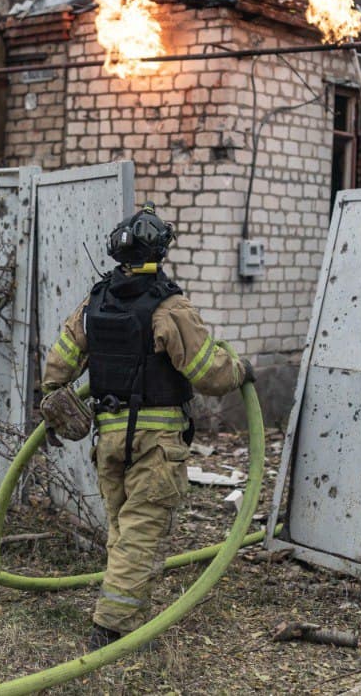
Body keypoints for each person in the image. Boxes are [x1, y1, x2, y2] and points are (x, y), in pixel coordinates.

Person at [38, 202, 251, 650]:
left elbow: (59, 363)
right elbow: (209, 373)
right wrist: (241, 370)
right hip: (156, 445)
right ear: (161, 251)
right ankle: (110, 630)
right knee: (143, 532)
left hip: (109, 439)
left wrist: (53, 394)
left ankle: (125, 619)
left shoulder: (93, 303)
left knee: (122, 527)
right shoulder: (169, 308)